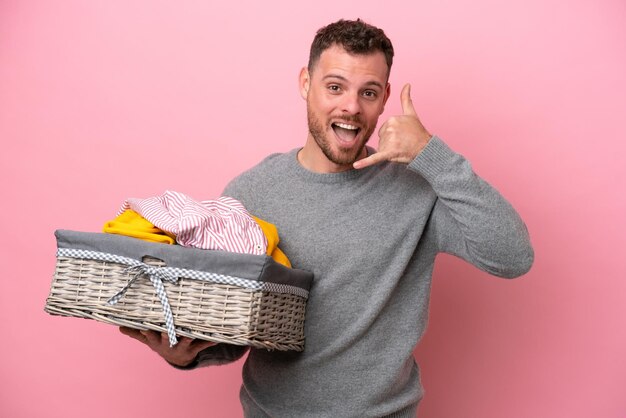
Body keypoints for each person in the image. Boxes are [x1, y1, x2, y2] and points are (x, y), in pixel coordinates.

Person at [120, 18, 534, 417]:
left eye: (368, 93)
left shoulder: (416, 189)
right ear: (305, 83)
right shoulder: (250, 194)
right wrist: (186, 354)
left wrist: (431, 154)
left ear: (385, 99)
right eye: (335, 87)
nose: (351, 107)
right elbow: (236, 329)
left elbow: (512, 255)